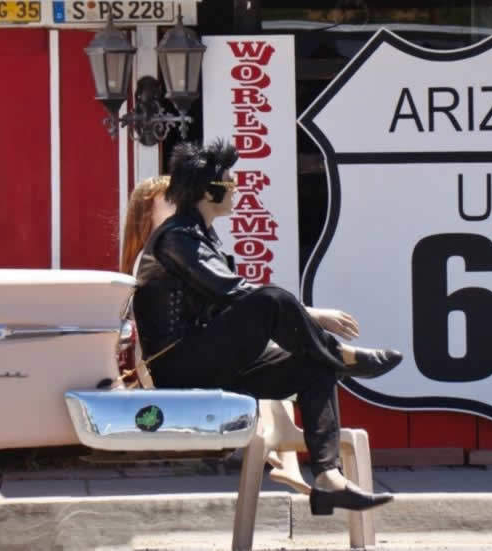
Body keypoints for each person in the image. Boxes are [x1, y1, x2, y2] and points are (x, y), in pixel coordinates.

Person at [133, 139, 402, 514]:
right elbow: (233, 292)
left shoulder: (201, 236)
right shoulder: (177, 238)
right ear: (208, 191)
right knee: (269, 299)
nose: (236, 188)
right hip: (181, 365)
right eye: (229, 181)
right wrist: (314, 315)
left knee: (315, 366)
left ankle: (328, 478)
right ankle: (340, 354)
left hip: (213, 362)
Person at [119, 174, 313, 494]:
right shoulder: (159, 253)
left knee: (266, 349)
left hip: (185, 355)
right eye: (171, 203)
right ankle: (279, 451)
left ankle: (281, 451)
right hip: (163, 363)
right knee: (257, 349)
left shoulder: (186, 247)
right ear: (146, 215)